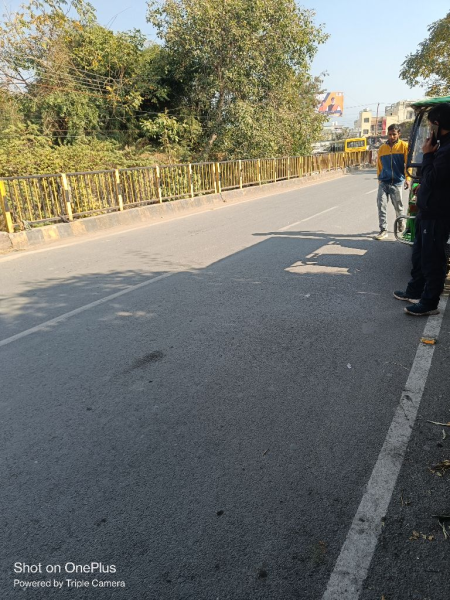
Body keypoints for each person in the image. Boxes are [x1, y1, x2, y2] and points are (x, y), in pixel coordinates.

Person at [393, 103, 450, 316]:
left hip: (437, 213)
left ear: (437, 124)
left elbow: (433, 178)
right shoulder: (441, 146)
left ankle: (429, 303)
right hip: (426, 210)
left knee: (433, 259)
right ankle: (415, 290)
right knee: (419, 255)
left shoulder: (447, 150)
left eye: (430, 125)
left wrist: (426, 155)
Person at [375, 124, 409, 240]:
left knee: (398, 207)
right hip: (384, 182)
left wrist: (408, 179)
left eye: (394, 134)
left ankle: (401, 223)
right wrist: (379, 179)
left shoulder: (404, 146)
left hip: (397, 182)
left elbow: (408, 164)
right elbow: (379, 165)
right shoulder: (382, 148)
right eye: (390, 134)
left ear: (399, 134)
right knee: (381, 205)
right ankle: (383, 230)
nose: (392, 137)